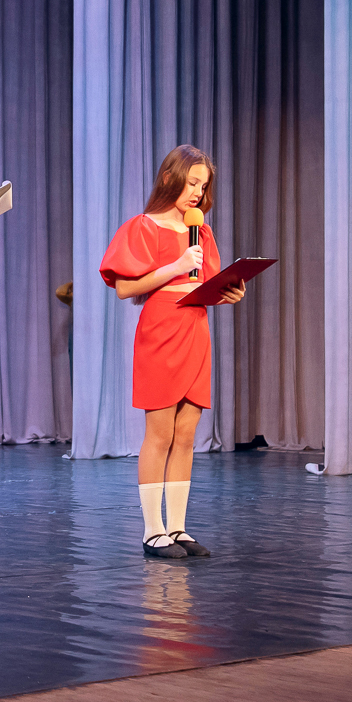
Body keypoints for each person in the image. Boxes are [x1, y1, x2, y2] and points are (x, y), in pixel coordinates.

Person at [98, 145, 246, 560]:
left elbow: (206, 283)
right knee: (160, 433)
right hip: (162, 328)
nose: (198, 192)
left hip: (196, 326)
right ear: (169, 178)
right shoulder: (142, 227)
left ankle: (177, 527)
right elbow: (125, 288)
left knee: (186, 434)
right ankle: (152, 531)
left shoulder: (203, 231)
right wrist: (176, 266)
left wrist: (228, 292)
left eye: (203, 185)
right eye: (192, 182)